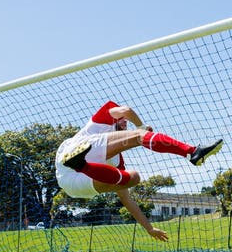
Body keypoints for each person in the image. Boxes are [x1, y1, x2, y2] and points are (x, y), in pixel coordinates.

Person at [55, 101, 223, 242]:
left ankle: (82, 165)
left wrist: (149, 228)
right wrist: (141, 126)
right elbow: (126, 111)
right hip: (69, 155)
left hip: (72, 183)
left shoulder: (117, 161)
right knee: (138, 136)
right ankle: (192, 152)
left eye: (126, 122)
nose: (124, 122)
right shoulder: (100, 122)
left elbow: (126, 198)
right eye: (122, 120)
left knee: (133, 178)